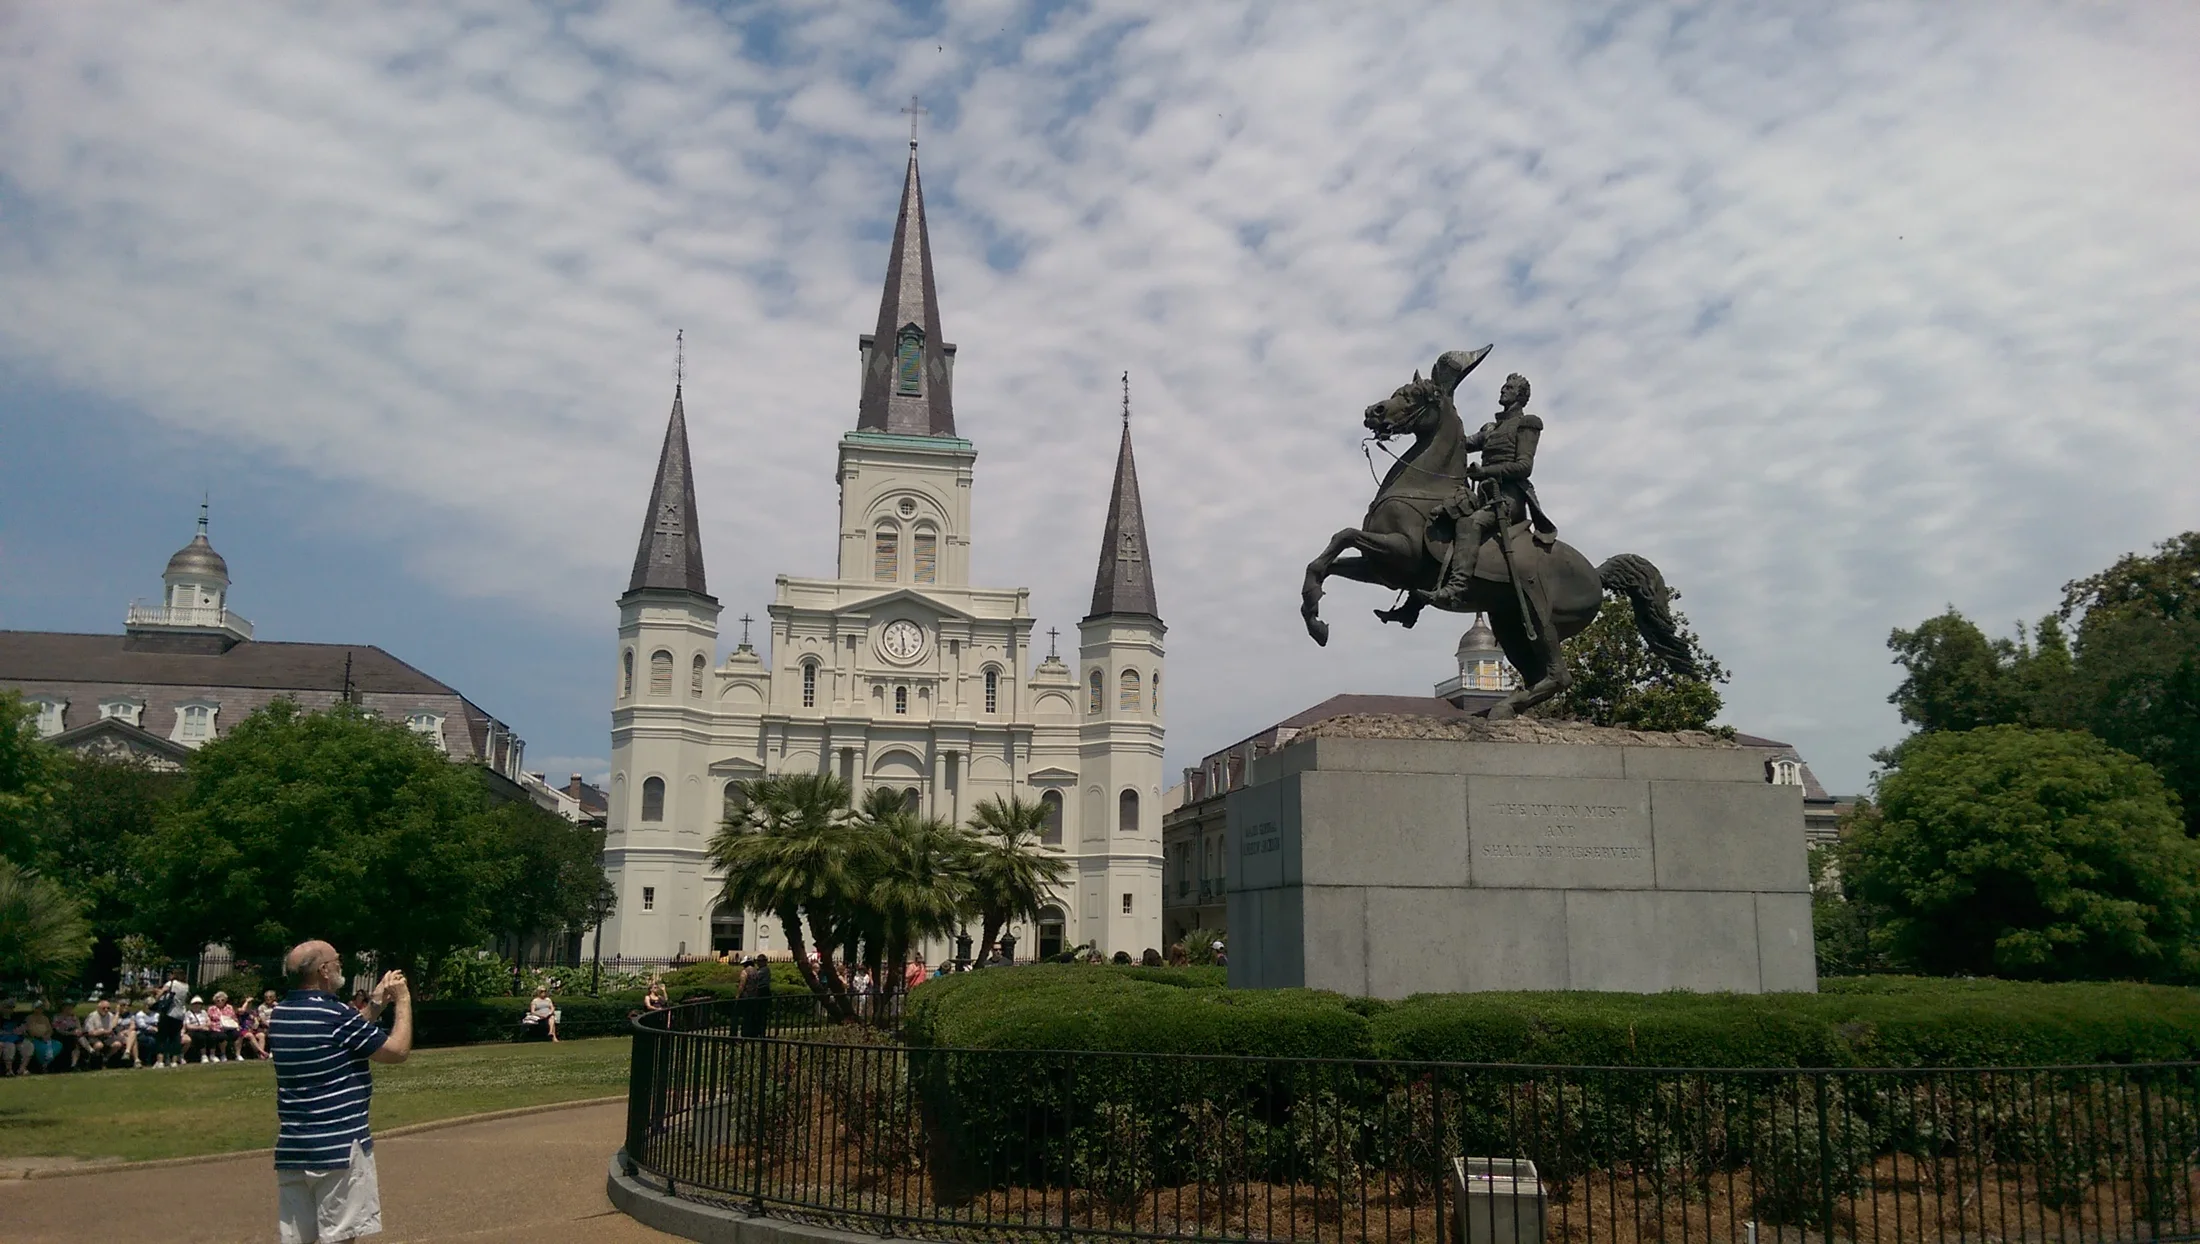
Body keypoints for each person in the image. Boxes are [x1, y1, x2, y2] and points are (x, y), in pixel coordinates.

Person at [270, 939, 411, 1244]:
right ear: (324, 971)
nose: (340, 965)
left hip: (295, 1147)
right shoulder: (334, 1014)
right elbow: (397, 1050)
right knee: (340, 1238)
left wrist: (375, 1005)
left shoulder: (282, 1013)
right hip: (339, 1147)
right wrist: (402, 1001)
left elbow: (342, 1037)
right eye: (336, 961)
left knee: (299, 1239)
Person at [1424, 372, 1557, 614]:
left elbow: (1524, 466)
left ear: (1521, 396)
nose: (1503, 390)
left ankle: (1457, 587)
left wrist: (1485, 471)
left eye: (1509, 388)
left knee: (1469, 523)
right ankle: (1414, 599)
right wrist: (1439, 414)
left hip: (1507, 498)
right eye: (1503, 386)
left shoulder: (1528, 423)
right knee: (1439, 514)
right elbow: (1460, 444)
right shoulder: (1490, 428)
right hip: (1483, 496)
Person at [153, 969, 190, 1069]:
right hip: (179, 1014)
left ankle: (160, 1061)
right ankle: (174, 1061)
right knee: (175, 1037)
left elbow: (162, 993)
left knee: (162, 1037)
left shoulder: (171, 983)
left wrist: (156, 998)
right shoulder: (186, 986)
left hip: (169, 1013)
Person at [80, 998, 125, 1069]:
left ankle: (106, 1058)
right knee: (99, 1045)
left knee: (117, 1044)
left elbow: (113, 1026)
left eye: (108, 1008)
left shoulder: (110, 1015)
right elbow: (89, 1032)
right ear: (98, 1008)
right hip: (93, 1036)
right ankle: (93, 1059)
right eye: (104, 1008)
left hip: (106, 1036)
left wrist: (117, 1012)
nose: (106, 1010)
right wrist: (100, 1032)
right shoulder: (92, 1016)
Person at [737, 953, 772, 1040]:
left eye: (760, 961)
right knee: (755, 1015)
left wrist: (738, 995)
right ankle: (755, 1032)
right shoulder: (756, 970)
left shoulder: (764, 970)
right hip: (756, 995)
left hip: (762, 994)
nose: (758, 963)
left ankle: (758, 1033)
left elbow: (744, 984)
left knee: (759, 1015)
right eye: (758, 961)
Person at [23, 1005, 62, 1072]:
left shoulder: (45, 1018)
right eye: (37, 1008)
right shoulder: (29, 1018)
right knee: (42, 1048)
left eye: (41, 1008)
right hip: (35, 1039)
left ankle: (45, 1064)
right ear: (34, 1009)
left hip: (46, 1039)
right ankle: (42, 1066)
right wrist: (41, 1036)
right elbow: (30, 1030)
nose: (39, 1010)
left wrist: (48, 1035)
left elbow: (50, 1030)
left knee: (58, 1045)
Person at [209, 991, 242, 1061]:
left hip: (229, 1027)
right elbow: (209, 1019)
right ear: (215, 1001)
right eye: (218, 1000)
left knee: (239, 1034)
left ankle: (238, 1055)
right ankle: (222, 1054)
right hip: (216, 1028)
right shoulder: (212, 1008)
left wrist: (237, 1025)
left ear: (225, 1000)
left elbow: (234, 1018)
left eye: (222, 1000)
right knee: (222, 1036)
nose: (220, 1001)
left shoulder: (229, 1007)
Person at [184, 995, 214, 1062]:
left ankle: (212, 1055)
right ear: (192, 1005)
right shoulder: (188, 1013)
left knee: (213, 1036)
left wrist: (206, 1026)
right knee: (201, 1037)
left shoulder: (204, 1012)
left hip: (204, 1029)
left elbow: (209, 1022)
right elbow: (188, 1026)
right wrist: (200, 1027)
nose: (197, 1005)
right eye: (195, 1003)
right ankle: (203, 1055)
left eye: (199, 1003)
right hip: (193, 1031)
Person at [0, 1004, 28, 1076]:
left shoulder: (17, 1018)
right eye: (7, 1008)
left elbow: (23, 1028)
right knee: (10, 1046)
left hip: (17, 1039)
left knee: (28, 1045)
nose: (9, 1010)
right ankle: (9, 1070)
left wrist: (22, 1030)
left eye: (11, 1008)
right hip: (4, 1040)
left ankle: (22, 1069)